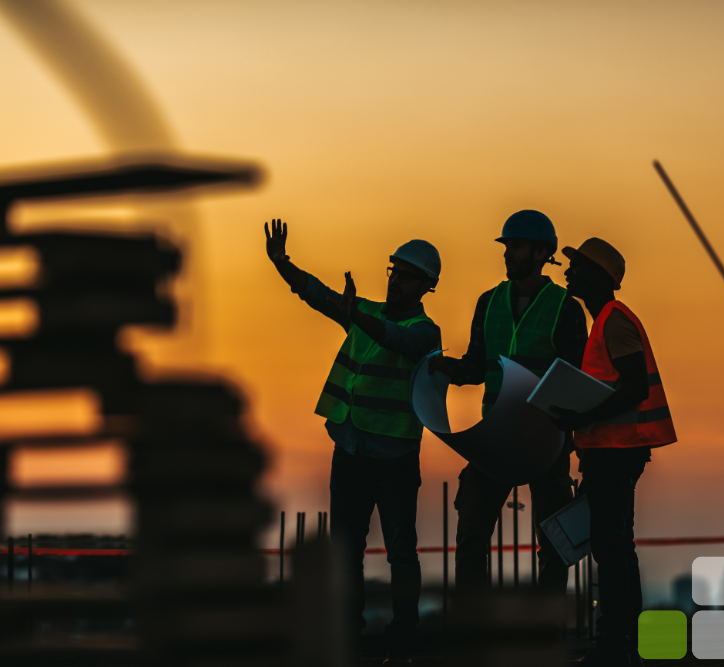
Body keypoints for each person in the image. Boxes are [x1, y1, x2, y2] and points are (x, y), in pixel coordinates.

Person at [264, 218, 442, 664]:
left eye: (405, 275)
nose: (396, 280)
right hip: (350, 448)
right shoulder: (362, 311)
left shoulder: (427, 332)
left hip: (394, 456)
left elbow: (396, 339)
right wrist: (283, 264)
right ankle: (348, 636)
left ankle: (404, 640)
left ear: (426, 286)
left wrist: (356, 314)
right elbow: (319, 295)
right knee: (346, 550)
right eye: (393, 271)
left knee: (401, 551)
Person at [427, 210, 588, 598]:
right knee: (470, 537)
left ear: (540, 253)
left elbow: (576, 382)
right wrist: (451, 370)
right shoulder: (489, 303)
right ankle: (476, 634)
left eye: (515, 247)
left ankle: (543, 635)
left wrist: (571, 443)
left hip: (546, 440)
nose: (507, 254)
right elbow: (479, 365)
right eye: (507, 247)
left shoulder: (564, 307)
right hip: (496, 439)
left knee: (553, 542)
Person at [549, 238, 677, 667]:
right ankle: (623, 639)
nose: (568, 273)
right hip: (612, 450)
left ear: (600, 276)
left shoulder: (614, 320)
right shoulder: (604, 321)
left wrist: (579, 415)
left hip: (617, 451)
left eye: (577, 266)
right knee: (618, 543)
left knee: (611, 545)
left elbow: (634, 386)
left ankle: (615, 640)